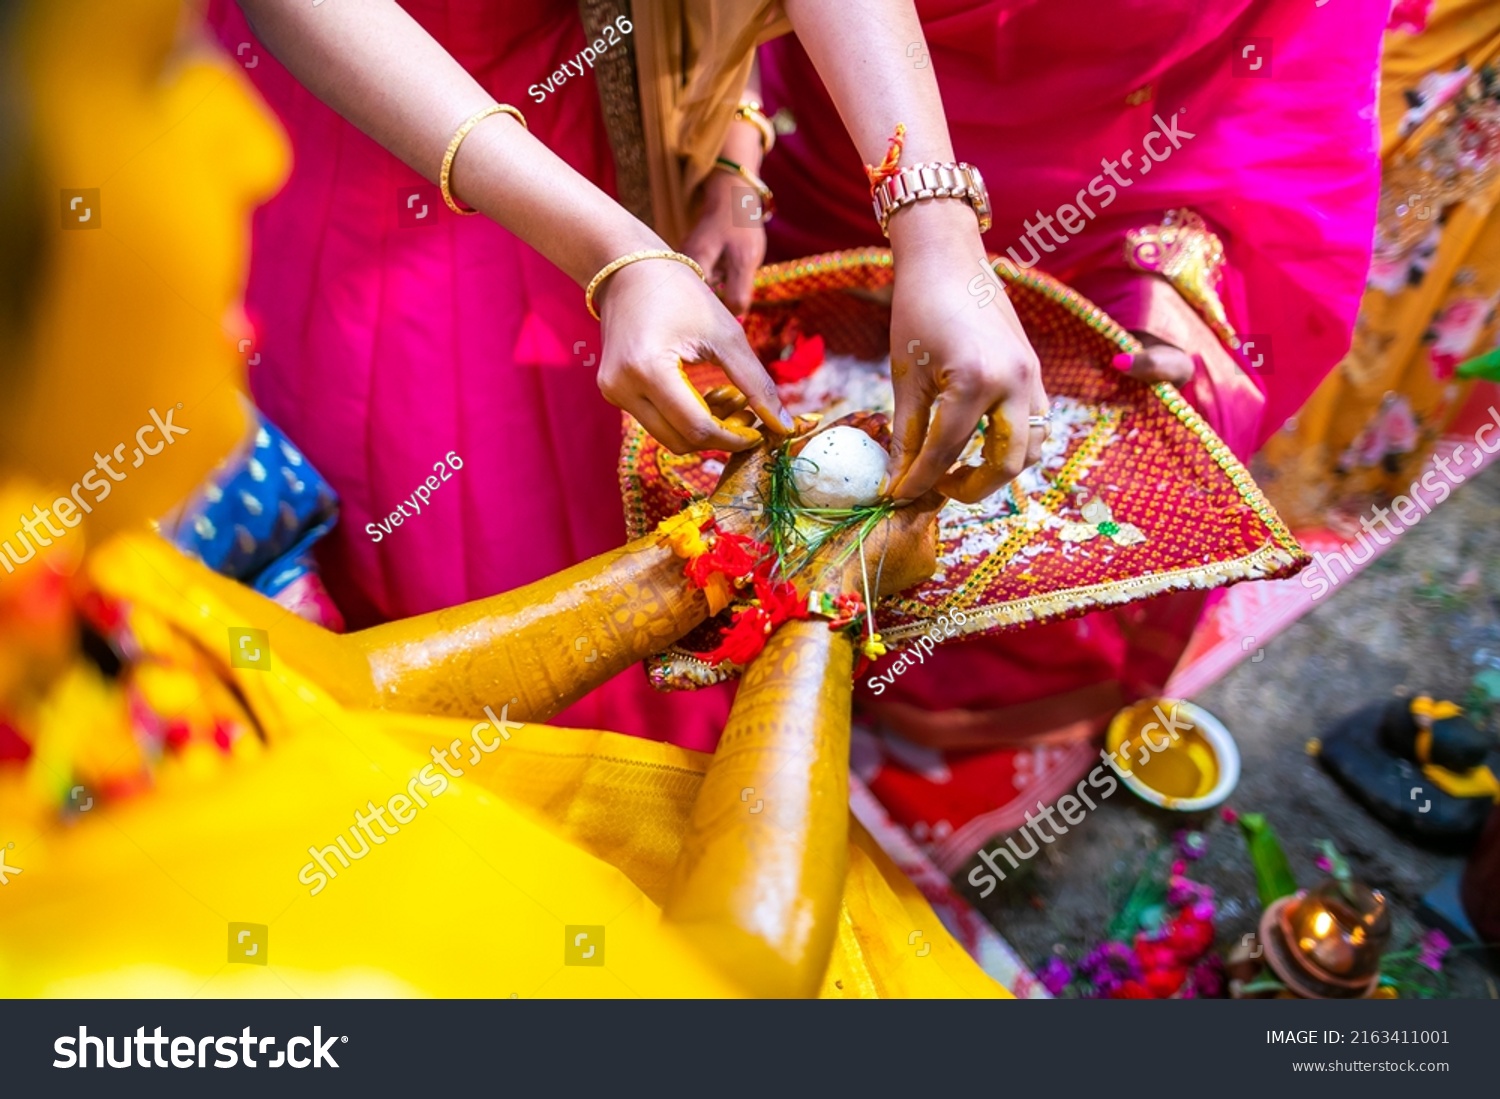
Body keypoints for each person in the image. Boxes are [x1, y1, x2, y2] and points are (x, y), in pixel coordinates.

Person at [0, 0, 999, 998]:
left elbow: (311, 700)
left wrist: (701, 562)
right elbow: (716, 994)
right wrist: (820, 607)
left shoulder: (46, 588)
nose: (252, 148)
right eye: (158, 73)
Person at [208, 0, 1045, 749]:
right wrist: (616, 256)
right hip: (403, 145)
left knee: (661, 511)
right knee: (499, 588)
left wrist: (922, 219)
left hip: (630, 133)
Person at [749, 0, 1388, 871]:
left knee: (1025, 507)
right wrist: (926, 221)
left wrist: (1185, 284)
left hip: (1143, 169)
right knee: (796, 451)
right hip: (856, 107)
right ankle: (796, 657)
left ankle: (926, 699)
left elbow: (1298, 72)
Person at [1258, 0, 1500, 529]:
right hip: (1438, 40)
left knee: (1443, 265)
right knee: (1337, 188)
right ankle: (1250, 435)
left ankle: (1321, 468)